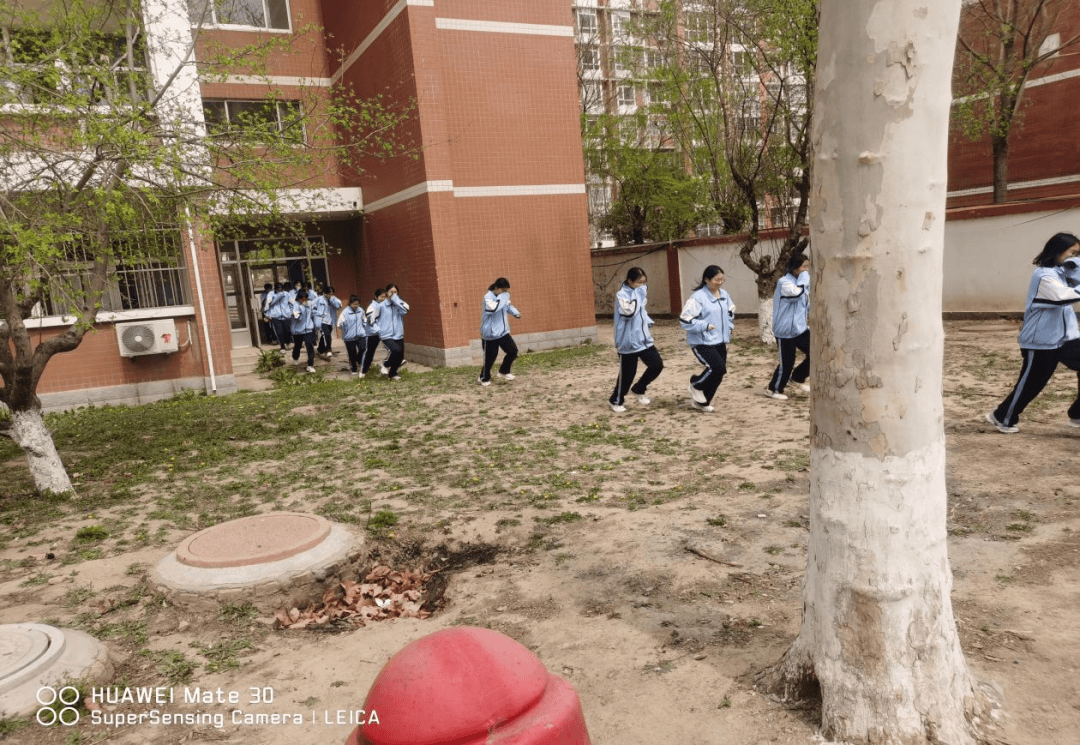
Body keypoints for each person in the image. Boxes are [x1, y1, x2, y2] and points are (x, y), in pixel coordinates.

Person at [987, 232, 1080, 433]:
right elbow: (1062, 298)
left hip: (1067, 338)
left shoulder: (1062, 272)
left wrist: (1075, 268)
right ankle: (1002, 417)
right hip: (1041, 341)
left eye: (1077, 254)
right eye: (1072, 253)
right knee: (1031, 384)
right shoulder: (1044, 276)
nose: (1074, 257)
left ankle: (1078, 413)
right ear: (1057, 251)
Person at [679, 265, 735, 413]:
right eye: (716, 280)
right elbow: (685, 319)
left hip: (720, 340)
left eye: (722, 280)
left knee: (720, 371)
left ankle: (702, 403)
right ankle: (695, 385)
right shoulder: (698, 297)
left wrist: (729, 327)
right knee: (716, 367)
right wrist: (704, 326)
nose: (720, 283)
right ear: (706, 279)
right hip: (702, 341)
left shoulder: (724, 294)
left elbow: (730, 312)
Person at [609, 267, 663, 413]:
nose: (642, 285)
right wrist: (638, 294)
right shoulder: (622, 295)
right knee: (627, 374)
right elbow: (629, 313)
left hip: (643, 340)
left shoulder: (639, 293)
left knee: (657, 365)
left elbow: (641, 311)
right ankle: (616, 400)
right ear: (630, 281)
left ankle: (639, 389)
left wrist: (647, 322)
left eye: (643, 282)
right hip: (627, 342)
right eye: (639, 282)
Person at [766, 253, 811, 400]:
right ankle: (773, 389)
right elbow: (796, 295)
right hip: (785, 331)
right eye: (804, 267)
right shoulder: (784, 282)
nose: (806, 270)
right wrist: (804, 281)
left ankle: (797, 378)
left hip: (800, 328)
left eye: (808, 266)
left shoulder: (802, 282)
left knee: (815, 353)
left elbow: (805, 302)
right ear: (794, 267)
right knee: (787, 363)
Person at [478, 278, 522, 386]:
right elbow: (494, 308)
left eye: (506, 291)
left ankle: (504, 371)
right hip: (490, 335)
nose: (505, 293)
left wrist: (515, 312)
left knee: (513, 351)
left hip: (502, 332)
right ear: (497, 288)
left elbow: (507, 306)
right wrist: (504, 297)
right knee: (490, 358)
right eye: (503, 290)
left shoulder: (503, 297)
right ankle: (483, 378)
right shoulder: (488, 297)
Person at [377, 283, 409, 379]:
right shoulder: (381, 306)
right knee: (396, 350)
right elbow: (373, 318)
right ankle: (385, 364)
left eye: (395, 292)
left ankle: (393, 373)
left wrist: (396, 301)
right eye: (391, 292)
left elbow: (405, 311)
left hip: (398, 333)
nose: (393, 294)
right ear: (387, 293)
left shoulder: (399, 304)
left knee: (400, 356)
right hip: (386, 334)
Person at [337, 295, 368, 376]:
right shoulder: (345, 312)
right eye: (354, 304)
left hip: (361, 334)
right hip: (349, 336)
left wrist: (365, 329)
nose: (355, 306)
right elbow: (339, 324)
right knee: (352, 353)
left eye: (357, 304)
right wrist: (343, 325)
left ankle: (359, 360)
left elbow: (364, 320)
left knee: (363, 348)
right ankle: (354, 369)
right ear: (350, 303)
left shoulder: (361, 310)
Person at [360, 287, 387, 376]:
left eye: (384, 297)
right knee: (370, 353)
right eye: (381, 297)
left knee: (392, 348)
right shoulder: (372, 306)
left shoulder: (384, 305)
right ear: (376, 297)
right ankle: (363, 372)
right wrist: (375, 325)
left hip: (383, 332)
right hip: (373, 333)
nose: (383, 299)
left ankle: (385, 365)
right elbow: (369, 318)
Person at [290, 291, 318, 373]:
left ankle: (310, 365)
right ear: (299, 299)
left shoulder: (309, 304)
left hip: (308, 329)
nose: (304, 300)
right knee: (298, 345)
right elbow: (298, 318)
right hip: (298, 330)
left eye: (306, 298)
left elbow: (314, 313)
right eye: (302, 299)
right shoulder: (295, 305)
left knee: (310, 346)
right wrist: (302, 307)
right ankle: (295, 357)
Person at [314, 285, 342, 359]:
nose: (330, 294)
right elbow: (313, 308)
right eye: (329, 293)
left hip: (331, 321)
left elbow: (338, 306)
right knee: (327, 335)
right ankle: (328, 350)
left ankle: (320, 349)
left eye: (332, 293)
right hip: (323, 320)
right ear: (324, 293)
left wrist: (332, 300)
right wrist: (316, 319)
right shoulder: (319, 299)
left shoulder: (334, 299)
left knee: (324, 336)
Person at [265, 282, 292, 352]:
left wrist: (291, 312)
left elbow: (292, 303)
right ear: (275, 289)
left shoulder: (287, 294)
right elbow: (270, 303)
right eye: (278, 289)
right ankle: (282, 346)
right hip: (276, 316)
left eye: (281, 289)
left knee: (288, 331)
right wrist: (278, 297)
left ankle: (288, 342)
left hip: (286, 315)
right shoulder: (271, 294)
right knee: (279, 332)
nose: (279, 290)